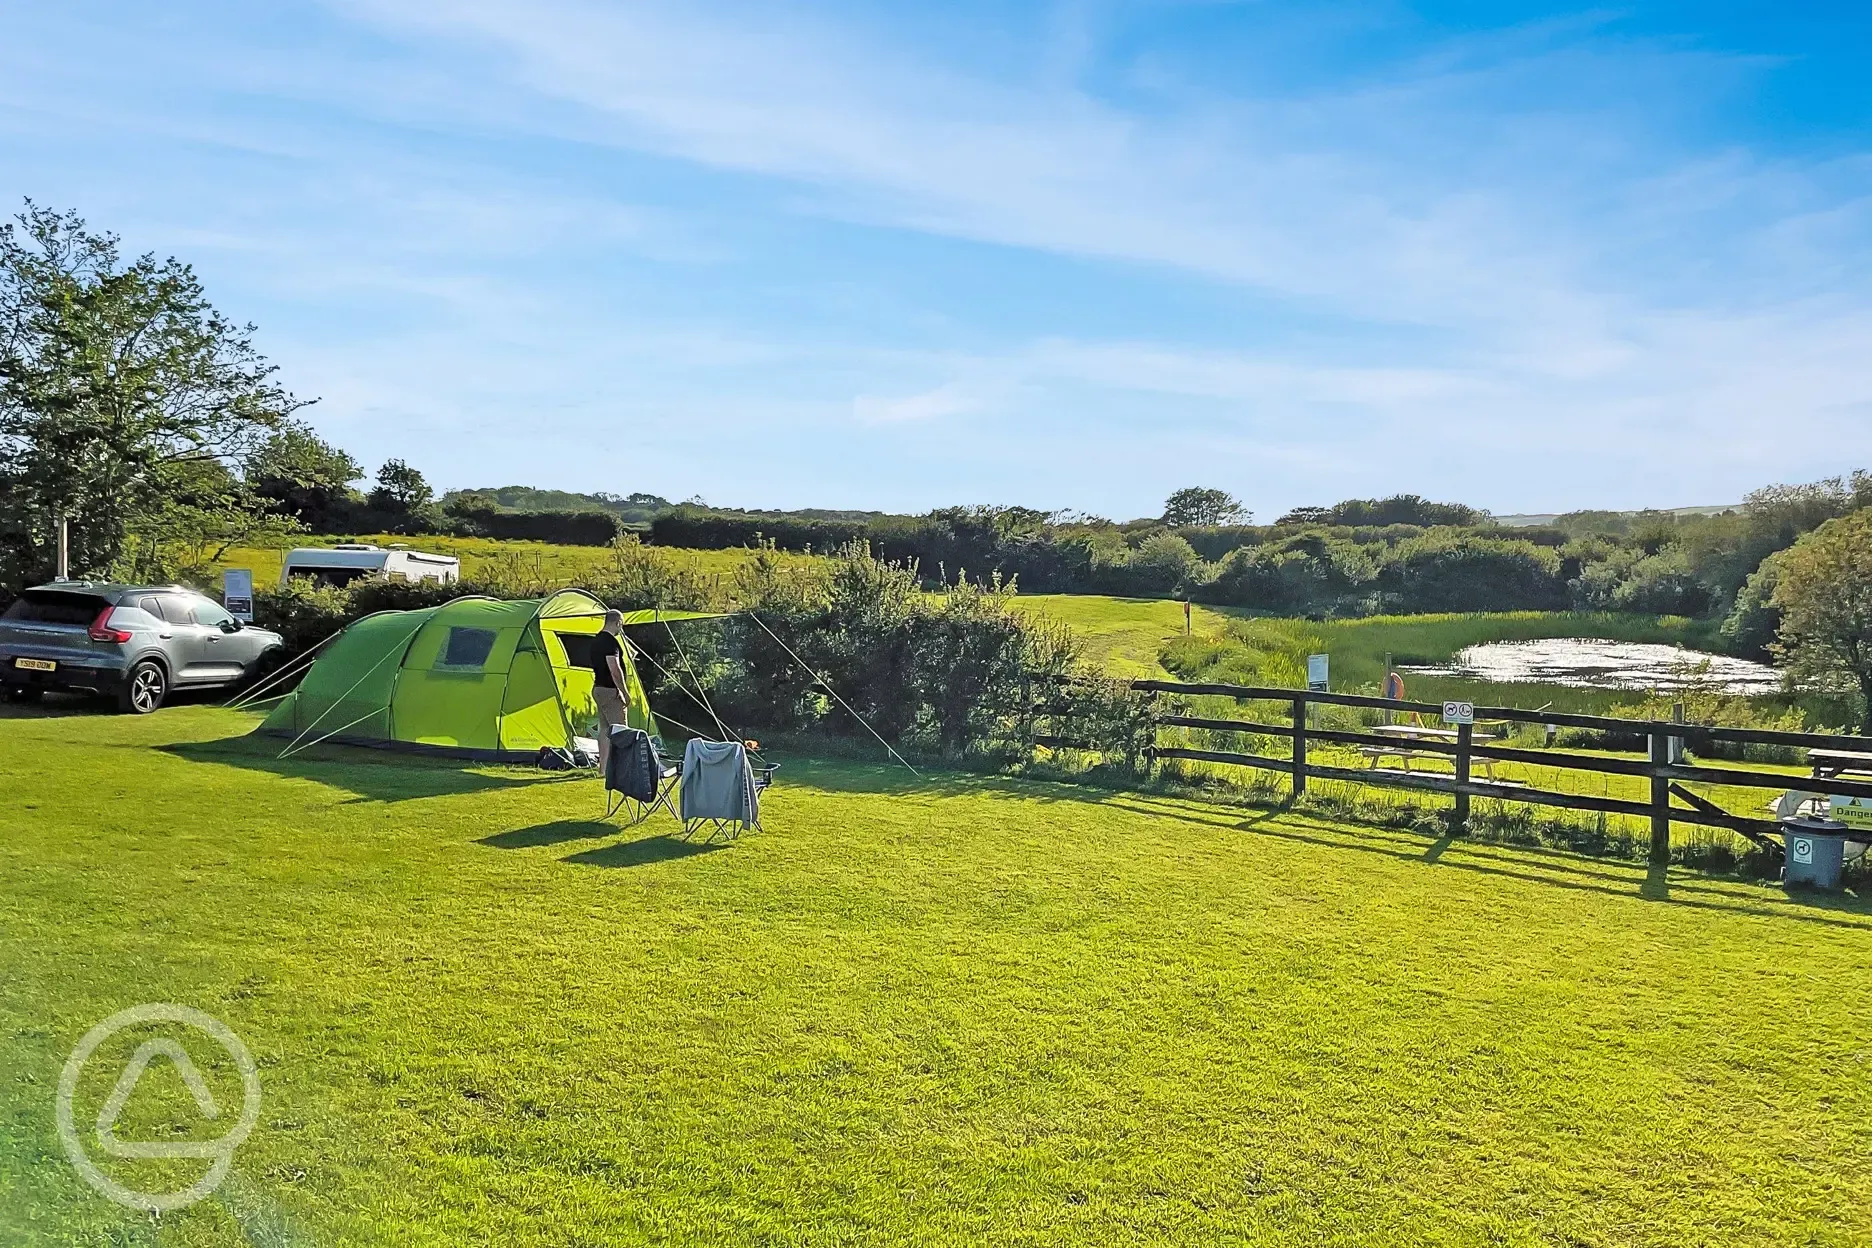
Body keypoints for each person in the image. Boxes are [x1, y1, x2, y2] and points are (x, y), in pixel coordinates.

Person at [589, 610, 630, 773]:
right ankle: (624, 769)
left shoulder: (596, 641)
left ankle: (604, 769)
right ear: (618, 622)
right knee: (622, 731)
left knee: (605, 730)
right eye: (622, 624)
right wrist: (624, 692)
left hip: (598, 688)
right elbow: (614, 669)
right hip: (609, 691)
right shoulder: (610, 643)